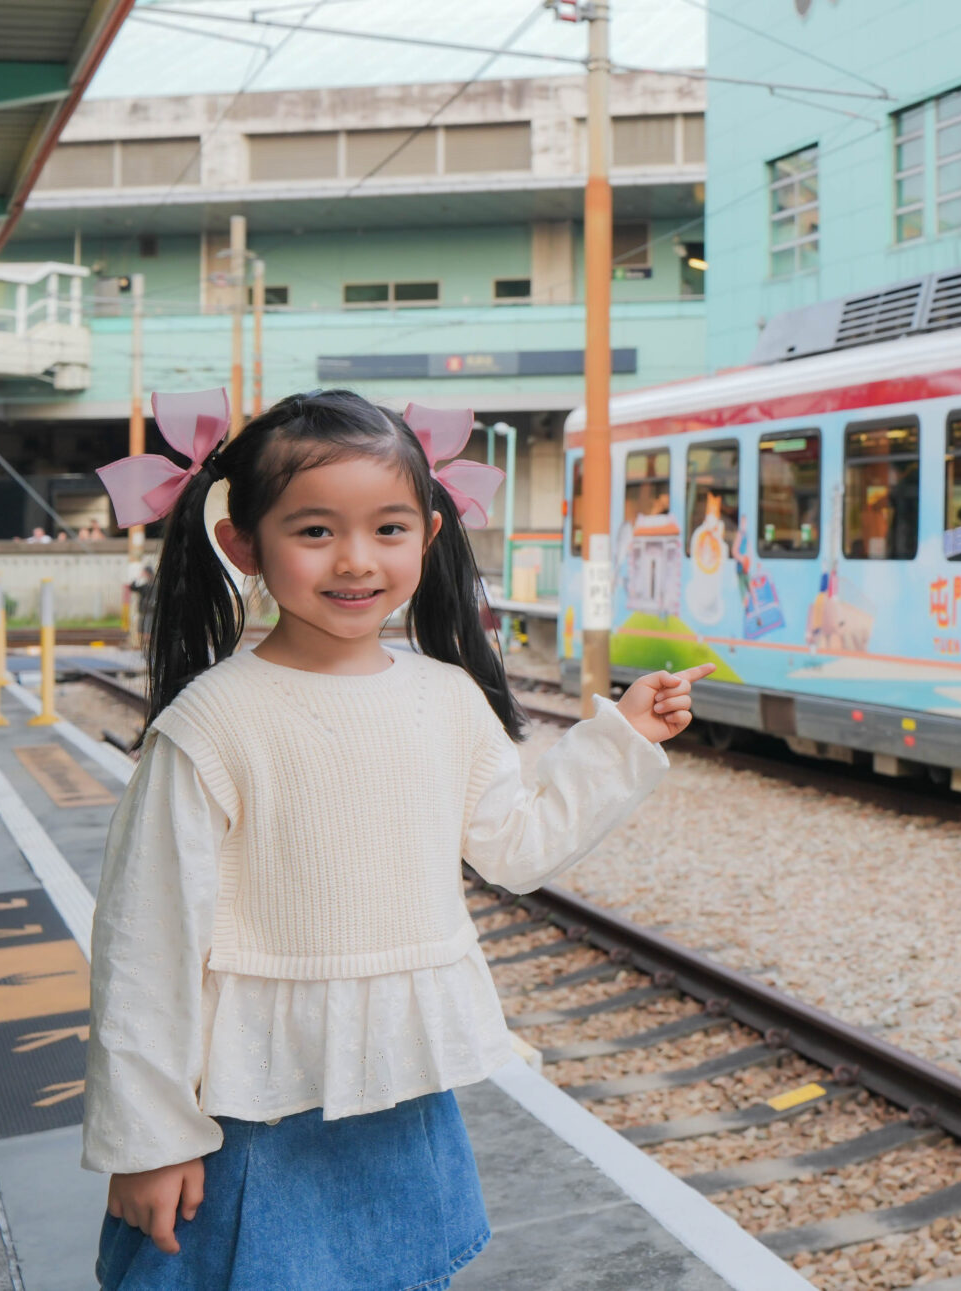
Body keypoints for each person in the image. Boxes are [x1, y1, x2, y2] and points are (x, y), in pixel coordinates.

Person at [82, 389, 709, 1290]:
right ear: (241, 545)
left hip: (401, 1089)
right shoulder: (213, 722)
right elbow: (144, 949)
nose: (355, 560)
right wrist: (146, 1140)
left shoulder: (445, 697)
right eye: (313, 531)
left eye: (387, 528)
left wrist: (622, 740)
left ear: (431, 532)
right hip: (244, 1109)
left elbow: (517, 845)